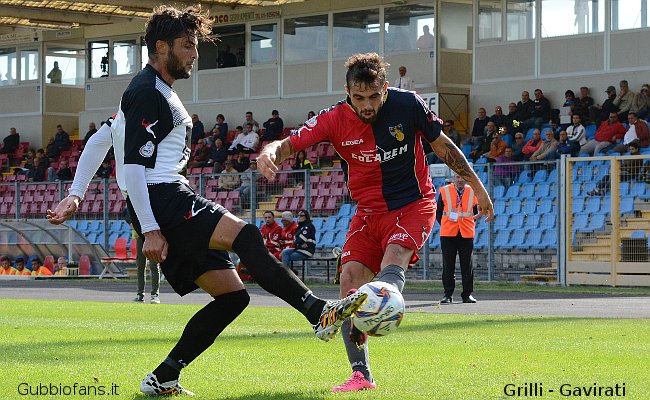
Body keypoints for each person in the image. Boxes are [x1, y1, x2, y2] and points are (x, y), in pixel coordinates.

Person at [47, 5, 366, 397]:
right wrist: (149, 228)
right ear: (160, 47)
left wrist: (76, 194)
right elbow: (132, 168)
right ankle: (318, 313)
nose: (195, 54)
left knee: (232, 298)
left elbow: (102, 139)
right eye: (187, 46)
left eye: (195, 46)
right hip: (163, 197)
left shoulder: (150, 90)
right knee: (246, 235)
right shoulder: (148, 92)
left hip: (160, 200)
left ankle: (164, 375)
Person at [257, 52, 493, 392]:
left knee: (395, 256)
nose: (366, 105)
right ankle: (361, 374)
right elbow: (289, 143)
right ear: (348, 92)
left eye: (373, 96)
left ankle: (373, 307)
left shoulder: (407, 105)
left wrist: (478, 187)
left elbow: (443, 147)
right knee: (349, 279)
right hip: (367, 212)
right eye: (358, 98)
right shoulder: (334, 118)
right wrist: (269, 151)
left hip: (414, 204)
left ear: (385, 88)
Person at [437, 173, 480, 304]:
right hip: (448, 233)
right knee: (448, 265)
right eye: (457, 177)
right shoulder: (444, 191)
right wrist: (446, 224)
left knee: (467, 265)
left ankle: (467, 294)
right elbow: (439, 212)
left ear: (466, 178)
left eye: (462, 177)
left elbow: (475, 212)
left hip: (466, 233)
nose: (460, 180)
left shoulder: (473, 191)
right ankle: (447, 295)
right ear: (453, 178)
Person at [280, 209, 316, 274]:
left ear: (306, 217)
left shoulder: (308, 226)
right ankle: (288, 273)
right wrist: (298, 243)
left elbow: (301, 239)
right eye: (298, 215)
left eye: (301, 215)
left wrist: (298, 242)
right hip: (299, 248)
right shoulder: (300, 227)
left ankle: (287, 274)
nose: (299, 217)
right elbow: (296, 240)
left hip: (306, 250)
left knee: (286, 257)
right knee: (284, 252)